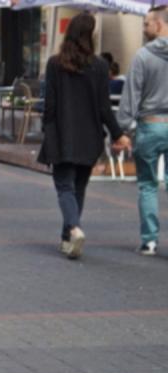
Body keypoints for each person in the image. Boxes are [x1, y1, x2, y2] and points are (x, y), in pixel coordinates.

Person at [38, 14, 127, 259]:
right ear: (90, 35)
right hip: (90, 137)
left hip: (63, 135)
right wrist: (117, 134)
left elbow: (50, 106)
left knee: (64, 187)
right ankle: (67, 239)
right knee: (78, 188)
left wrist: (48, 131)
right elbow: (104, 108)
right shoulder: (99, 66)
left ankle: (74, 230)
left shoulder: (55, 63)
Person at [119, 7, 168, 255]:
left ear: (160, 24)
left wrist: (125, 128)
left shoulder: (142, 57)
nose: (144, 28)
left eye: (147, 23)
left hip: (150, 124)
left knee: (147, 185)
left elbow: (131, 96)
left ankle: (149, 240)